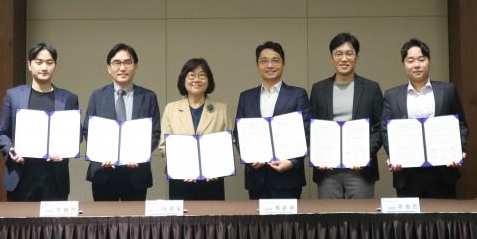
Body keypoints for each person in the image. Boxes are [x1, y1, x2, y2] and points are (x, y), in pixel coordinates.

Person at [382, 38, 469, 198]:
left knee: (443, 215)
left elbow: (461, 125)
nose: (416, 65)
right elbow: (385, 131)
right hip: (407, 173)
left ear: (429, 61)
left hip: (443, 171)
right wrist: (394, 156)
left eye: (421, 59)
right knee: (410, 215)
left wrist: (458, 150)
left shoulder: (447, 90)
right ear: (403, 65)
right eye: (410, 61)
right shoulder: (392, 96)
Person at [0, 43, 79, 201]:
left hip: (54, 178)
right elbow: (2, 133)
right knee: (19, 218)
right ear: (29, 65)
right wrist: (10, 149)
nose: (44, 67)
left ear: (55, 65)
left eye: (49, 62)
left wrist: (65, 150)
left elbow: (75, 134)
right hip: (21, 176)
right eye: (39, 62)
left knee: (54, 218)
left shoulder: (68, 99)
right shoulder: (13, 96)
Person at [82, 43, 160, 201]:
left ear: (135, 66)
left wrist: (138, 155)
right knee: (104, 217)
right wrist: (102, 154)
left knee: (134, 217)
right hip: (103, 171)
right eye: (117, 63)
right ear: (109, 68)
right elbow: (88, 130)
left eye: (127, 62)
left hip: (136, 172)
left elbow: (155, 132)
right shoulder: (97, 96)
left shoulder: (148, 97)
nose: (122, 68)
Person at [310, 32, 384, 199]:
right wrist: (318, 155)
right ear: (331, 58)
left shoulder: (371, 88)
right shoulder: (319, 89)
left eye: (349, 53)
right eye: (338, 54)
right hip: (327, 170)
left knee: (361, 215)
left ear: (356, 57)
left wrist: (364, 152)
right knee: (329, 215)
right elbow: (311, 127)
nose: (344, 58)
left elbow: (380, 127)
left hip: (360, 169)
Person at [235, 41, 310, 199]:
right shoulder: (246, 97)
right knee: (257, 217)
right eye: (264, 61)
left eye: (275, 60)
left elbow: (307, 131)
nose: (270, 65)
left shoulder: (297, 95)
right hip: (256, 178)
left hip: (288, 177)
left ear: (283, 64)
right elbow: (239, 133)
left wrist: (292, 161)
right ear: (257, 65)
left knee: (288, 217)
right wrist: (249, 158)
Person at [159, 58, 231, 200]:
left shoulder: (222, 109)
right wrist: (181, 169)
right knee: (182, 215)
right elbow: (164, 145)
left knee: (213, 215)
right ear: (183, 80)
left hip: (212, 180)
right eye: (191, 75)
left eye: (202, 75)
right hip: (181, 179)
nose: (196, 80)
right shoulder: (171, 109)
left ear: (209, 80)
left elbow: (227, 145)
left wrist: (218, 169)